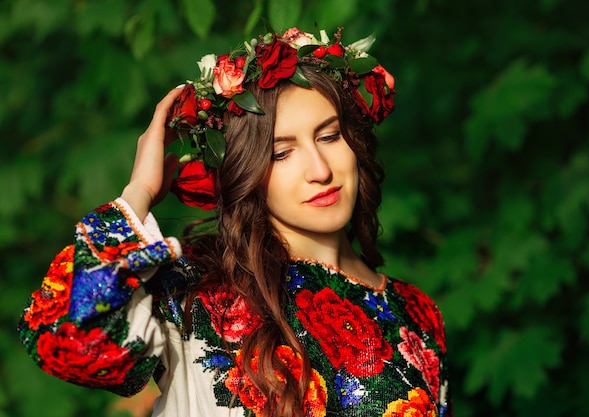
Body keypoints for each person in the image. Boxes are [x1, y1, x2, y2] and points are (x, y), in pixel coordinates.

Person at [18, 26, 451, 417]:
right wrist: (138, 194)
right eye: (281, 153)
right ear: (245, 171)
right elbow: (69, 339)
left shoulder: (417, 314)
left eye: (329, 135)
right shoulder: (196, 293)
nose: (320, 169)